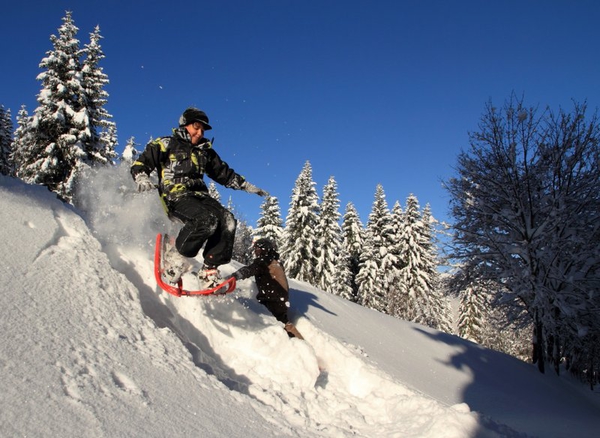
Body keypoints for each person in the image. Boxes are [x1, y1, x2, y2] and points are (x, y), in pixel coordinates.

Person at [131, 107, 268, 291]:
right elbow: (144, 161)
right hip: (176, 195)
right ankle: (175, 258)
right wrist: (141, 175)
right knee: (206, 220)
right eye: (196, 127)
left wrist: (245, 186)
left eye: (203, 130)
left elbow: (223, 173)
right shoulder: (166, 143)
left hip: (200, 196)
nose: (200, 132)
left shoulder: (205, 151)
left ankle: (209, 269)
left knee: (227, 220)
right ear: (185, 124)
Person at [229, 238, 304, 339]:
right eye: (255, 249)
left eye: (257, 249)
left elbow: (251, 269)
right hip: (279, 299)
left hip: (272, 299)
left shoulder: (265, 260)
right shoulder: (273, 261)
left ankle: (297, 346)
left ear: (265, 249)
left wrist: (235, 276)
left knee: (278, 324)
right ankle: (299, 342)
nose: (255, 252)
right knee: (284, 323)